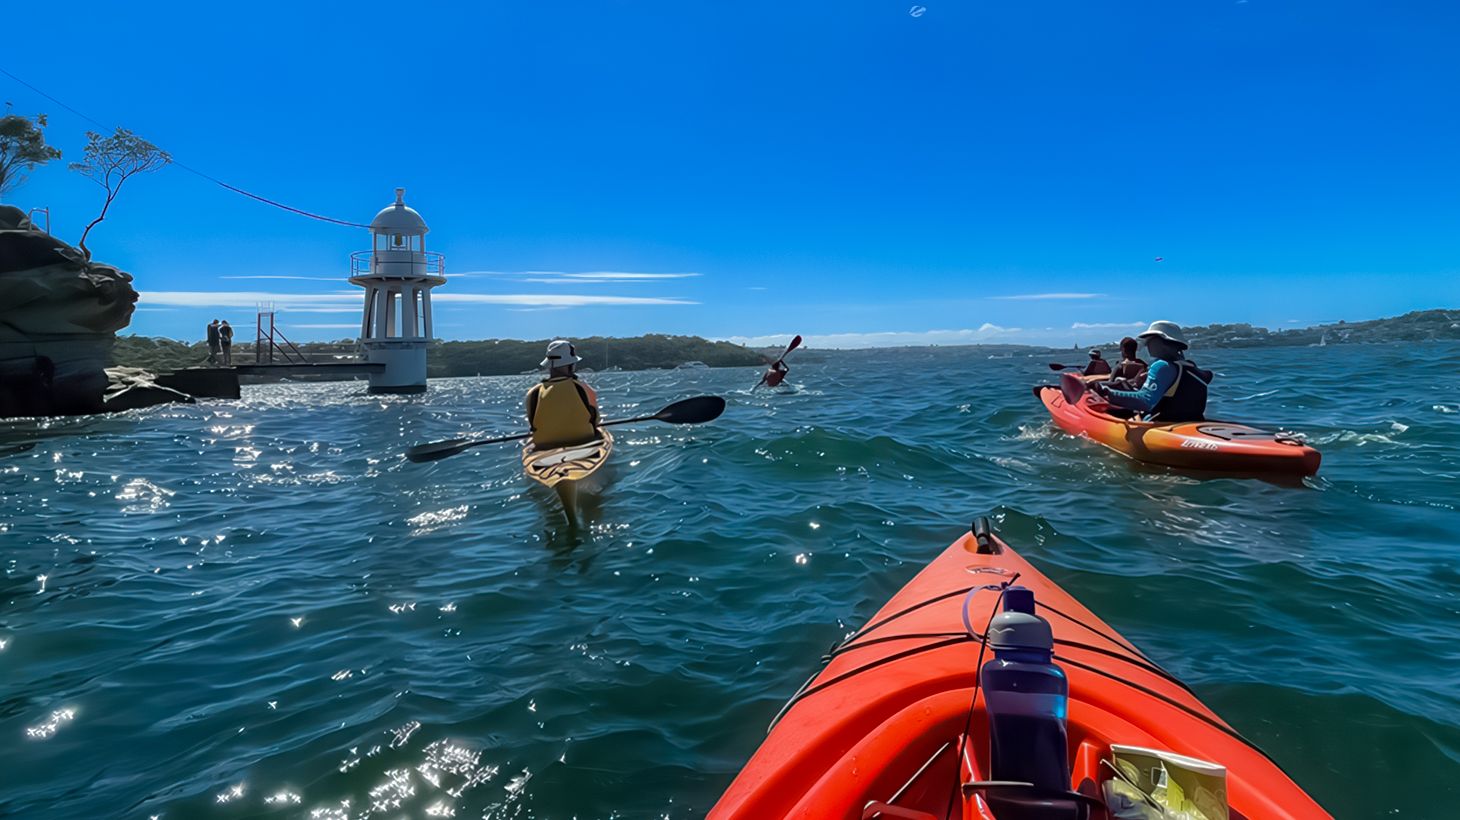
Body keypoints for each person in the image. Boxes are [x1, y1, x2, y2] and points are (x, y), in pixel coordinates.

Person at [1091, 321, 1212, 422]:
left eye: (1149, 340)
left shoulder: (1161, 366)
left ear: (1161, 342)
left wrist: (1105, 392)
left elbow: (1145, 401)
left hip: (1163, 425)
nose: (1147, 345)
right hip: (1193, 423)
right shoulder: (1192, 367)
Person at [525, 339, 600, 449]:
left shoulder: (533, 393)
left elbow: (532, 425)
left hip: (544, 446)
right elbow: (596, 419)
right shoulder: (583, 388)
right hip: (583, 440)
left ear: (549, 365)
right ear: (570, 365)